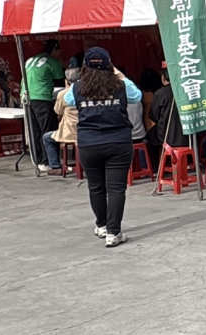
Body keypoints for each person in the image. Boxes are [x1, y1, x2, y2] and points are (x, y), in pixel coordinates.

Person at [63, 47, 142, 247]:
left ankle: (102, 225)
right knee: (116, 189)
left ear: (85, 67)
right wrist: (119, 74)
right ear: (110, 65)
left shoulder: (77, 88)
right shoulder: (121, 85)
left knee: (96, 187)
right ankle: (114, 233)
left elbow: (67, 100)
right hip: (119, 142)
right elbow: (137, 96)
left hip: (89, 144)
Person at [26, 39, 65, 171]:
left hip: (27, 98)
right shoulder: (53, 62)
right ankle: (46, 161)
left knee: (35, 130)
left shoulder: (30, 60)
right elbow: (60, 85)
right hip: (42, 97)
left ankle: (37, 160)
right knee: (48, 130)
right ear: (54, 49)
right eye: (59, 50)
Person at [147, 65, 189, 173]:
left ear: (163, 77)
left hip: (166, 136)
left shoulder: (160, 93)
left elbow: (153, 116)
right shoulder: (186, 89)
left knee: (148, 139)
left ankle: (156, 168)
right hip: (187, 134)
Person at [41, 68, 79, 176]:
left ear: (67, 80)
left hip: (71, 131)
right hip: (88, 129)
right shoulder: (89, 91)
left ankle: (56, 166)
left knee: (47, 138)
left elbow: (58, 111)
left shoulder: (63, 94)